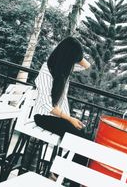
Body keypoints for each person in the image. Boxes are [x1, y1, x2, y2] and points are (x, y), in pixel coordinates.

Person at [33, 36, 90, 186]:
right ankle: (66, 177)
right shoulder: (46, 71)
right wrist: (69, 119)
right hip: (44, 116)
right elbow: (47, 105)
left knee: (85, 137)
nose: (75, 62)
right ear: (67, 58)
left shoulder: (65, 68)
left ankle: (60, 174)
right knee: (80, 139)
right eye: (73, 58)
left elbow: (86, 65)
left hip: (59, 116)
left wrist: (78, 53)